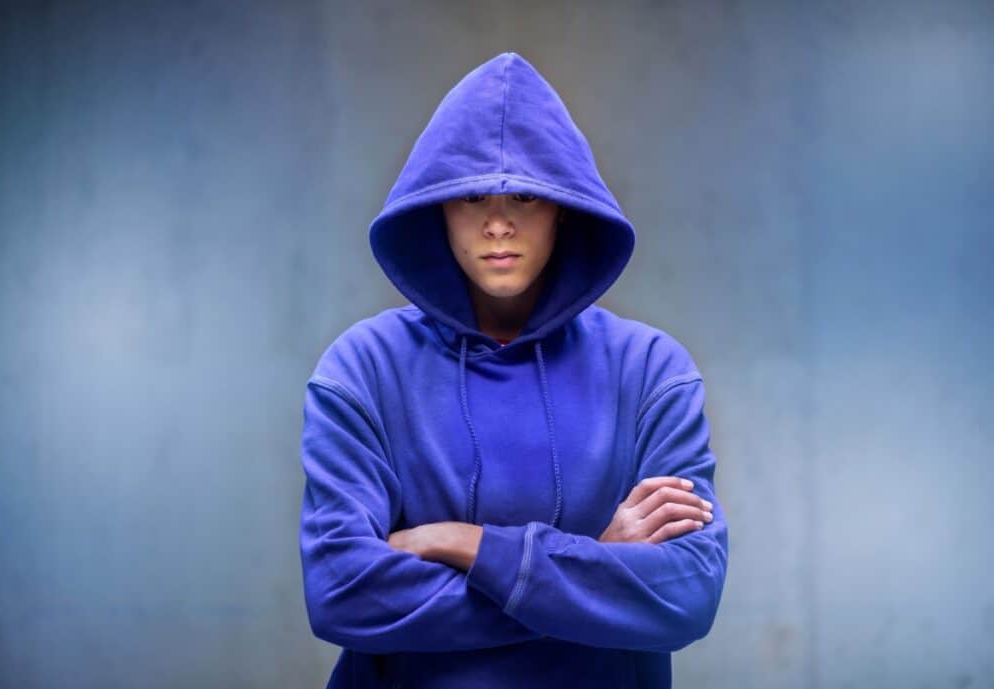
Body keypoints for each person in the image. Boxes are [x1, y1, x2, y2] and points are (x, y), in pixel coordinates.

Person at [299, 51, 728, 689]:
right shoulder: (363, 369)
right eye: (470, 195)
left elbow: (685, 595)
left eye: (526, 196)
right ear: (436, 208)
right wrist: (596, 566)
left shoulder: (650, 372)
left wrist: (465, 542)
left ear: (563, 208)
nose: (498, 222)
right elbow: (342, 590)